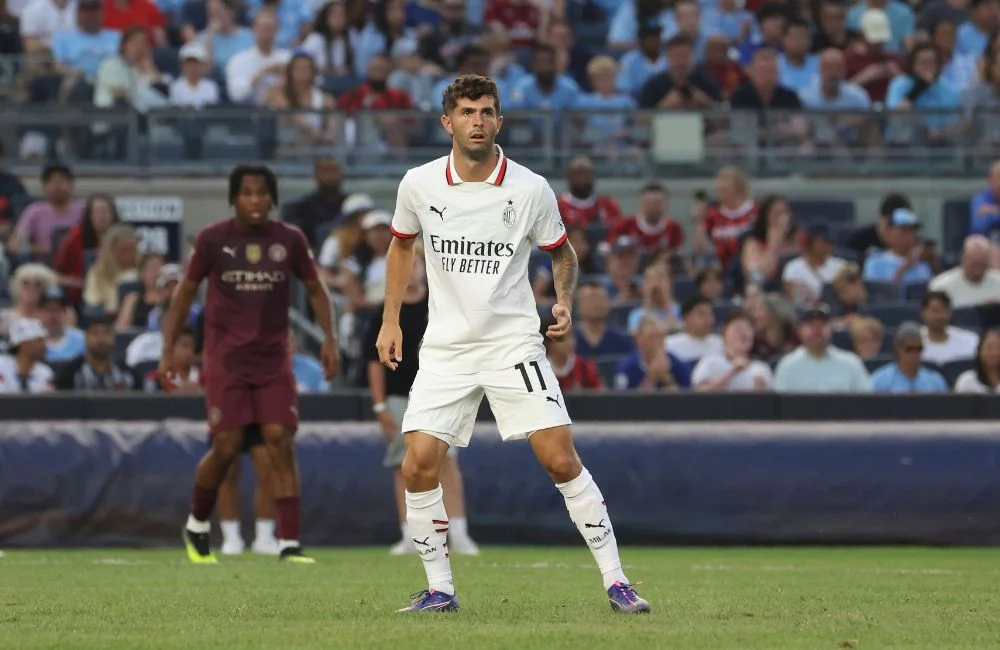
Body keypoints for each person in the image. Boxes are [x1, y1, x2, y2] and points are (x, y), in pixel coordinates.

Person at [375, 74, 650, 614]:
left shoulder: (529, 188)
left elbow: (562, 252)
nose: (476, 120)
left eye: (486, 111)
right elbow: (400, 248)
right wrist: (391, 321)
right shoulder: (418, 184)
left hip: (512, 345)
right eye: (466, 111)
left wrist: (563, 299)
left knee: (559, 458)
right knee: (416, 464)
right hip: (446, 348)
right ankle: (440, 590)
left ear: (499, 120)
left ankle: (618, 582)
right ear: (447, 122)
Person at [160, 164, 340, 565]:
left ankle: (289, 542)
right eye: (247, 193)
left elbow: (315, 287)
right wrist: (169, 348)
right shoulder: (211, 240)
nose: (255, 200)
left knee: (280, 438)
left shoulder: (289, 239)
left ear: (272, 198)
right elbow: (185, 293)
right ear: (233, 198)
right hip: (226, 360)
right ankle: (197, 523)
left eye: (262, 193)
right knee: (227, 446)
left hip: (274, 358)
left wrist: (331, 339)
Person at [364, 252, 480, 556]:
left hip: (440, 392)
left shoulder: (442, 303)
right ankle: (410, 534)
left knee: (447, 461)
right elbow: (372, 361)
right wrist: (380, 406)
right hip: (400, 396)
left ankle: (459, 532)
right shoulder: (388, 311)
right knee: (403, 465)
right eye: (409, 263)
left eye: (417, 264)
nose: (412, 270)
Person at [693, 310, 773, 391]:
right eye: (738, 328)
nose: (743, 333)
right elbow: (701, 392)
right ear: (725, 333)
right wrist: (732, 372)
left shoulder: (761, 368)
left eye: (747, 329)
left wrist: (759, 385)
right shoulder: (710, 361)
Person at [871, 322, 949, 393]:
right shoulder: (880, 380)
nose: (914, 354)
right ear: (898, 348)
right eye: (909, 349)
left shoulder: (935, 381)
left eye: (919, 349)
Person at [0, 318, 55, 394]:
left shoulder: (44, 372)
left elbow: (47, 403)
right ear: (24, 344)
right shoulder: (1, 367)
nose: (44, 345)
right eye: (39, 340)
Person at [954, 328, 1000, 393]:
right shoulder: (967, 381)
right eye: (989, 348)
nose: (994, 353)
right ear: (979, 351)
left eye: (999, 348)